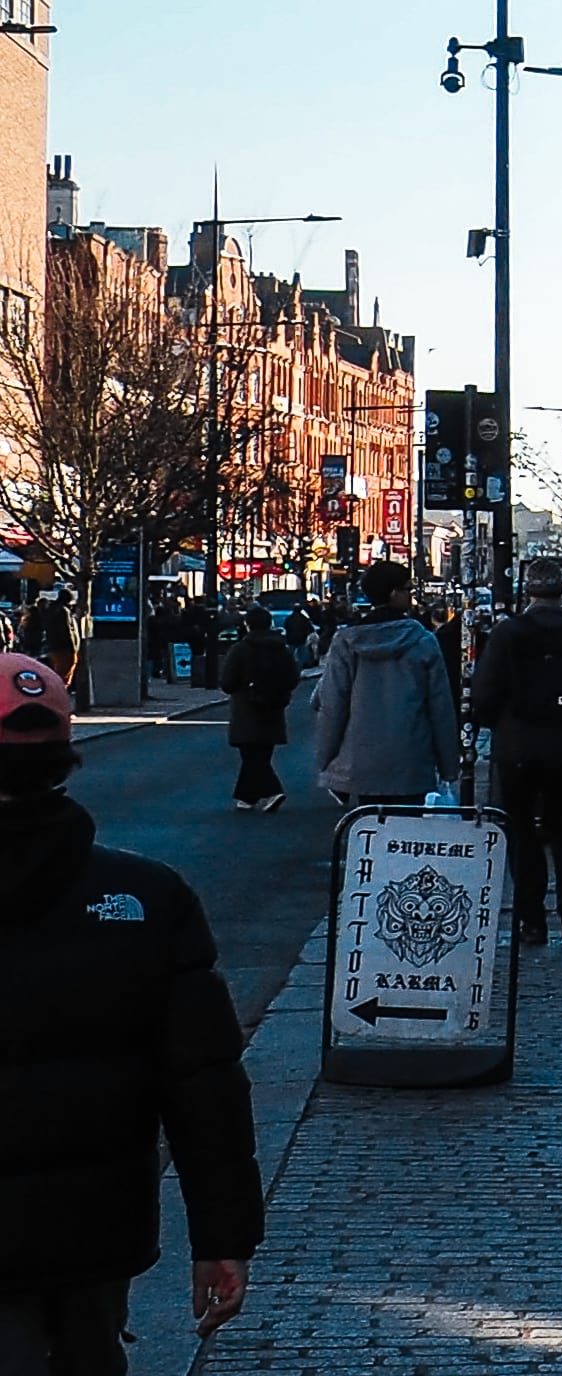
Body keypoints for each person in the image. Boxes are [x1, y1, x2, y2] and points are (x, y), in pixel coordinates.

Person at [0, 650, 264, 1370]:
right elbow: (206, 1089)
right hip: (96, 1229)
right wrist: (223, 1236)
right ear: (66, 752)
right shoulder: (148, 899)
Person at [471, 556, 562, 949]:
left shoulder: (508, 633)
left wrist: (500, 721)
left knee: (520, 831)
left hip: (516, 744)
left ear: (527, 590)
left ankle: (531, 917)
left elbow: (484, 692)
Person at [303, 561, 462, 816]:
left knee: (368, 833)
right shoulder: (423, 640)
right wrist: (448, 766)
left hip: (360, 760)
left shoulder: (347, 641)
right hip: (412, 759)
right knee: (405, 837)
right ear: (393, 593)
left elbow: (332, 703)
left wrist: (326, 759)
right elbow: (440, 706)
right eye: (408, 589)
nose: (411, 595)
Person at [221, 614, 301, 813]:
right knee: (261, 754)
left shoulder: (240, 649)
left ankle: (272, 791)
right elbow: (293, 677)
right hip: (274, 707)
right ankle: (246, 797)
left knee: (252, 756)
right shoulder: (281, 649)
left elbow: (227, 682)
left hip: (246, 709)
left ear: (247, 625)